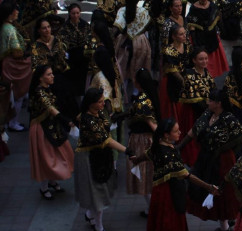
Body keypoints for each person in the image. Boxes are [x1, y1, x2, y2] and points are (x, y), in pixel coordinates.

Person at [129, 118, 220, 231]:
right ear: (167, 135)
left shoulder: (158, 146)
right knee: (170, 223)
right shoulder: (167, 154)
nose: (180, 132)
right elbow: (187, 175)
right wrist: (209, 187)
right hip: (169, 195)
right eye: (176, 131)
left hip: (159, 191)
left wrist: (136, 160)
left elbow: (146, 155)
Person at [176, 89, 242, 231]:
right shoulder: (207, 114)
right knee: (207, 190)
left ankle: (226, 226)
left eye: (210, 100)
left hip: (223, 162)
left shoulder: (229, 119)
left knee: (223, 193)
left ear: (218, 103)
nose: (207, 102)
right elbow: (194, 130)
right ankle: (225, 224)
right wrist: (179, 146)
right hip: (205, 160)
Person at [75, 87, 133, 231]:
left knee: (100, 191)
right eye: (100, 101)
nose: (103, 103)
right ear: (91, 103)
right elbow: (106, 140)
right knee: (98, 192)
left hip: (102, 157)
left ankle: (90, 214)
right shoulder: (87, 120)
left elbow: (108, 123)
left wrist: (122, 115)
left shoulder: (99, 112)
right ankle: (98, 225)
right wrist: (126, 150)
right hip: (90, 159)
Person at [28, 65, 75, 200]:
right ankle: (44, 187)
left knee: (55, 154)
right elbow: (50, 108)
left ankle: (52, 181)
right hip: (41, 129)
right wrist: (67, 121)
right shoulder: (39, 92)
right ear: (41, 78)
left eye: (52, 73)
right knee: (46, 158)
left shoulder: (48, 89)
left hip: (52, 126)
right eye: (49, 74)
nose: (52, 76)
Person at [125, 68, 158, 216]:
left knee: (144, 177)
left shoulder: (142, 101)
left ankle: (152, 209)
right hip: (149, 140)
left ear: (137, 83)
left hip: (142, 142)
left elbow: (153, 126)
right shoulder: (152, 94)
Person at [30, 18, 78, 119]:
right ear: (39, 30)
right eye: (44, 28)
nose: (47, 30)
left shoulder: (57, 40)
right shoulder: (35, 47)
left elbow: (63, 59)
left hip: (60, 76)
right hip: (46, 80)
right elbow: (36, 66)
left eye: (48, 27)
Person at [113, 0, 152, 103]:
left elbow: (117, 28)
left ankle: (122, 95)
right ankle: (136, 93)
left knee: (122, 68)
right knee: (139, 67)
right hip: (140, 42)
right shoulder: (143, 11)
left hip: (123, 42)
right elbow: (148, 26)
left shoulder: (122, 10)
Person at [0, 0, 32, 133]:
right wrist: (28, 53)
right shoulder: (10, 30)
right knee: (18, 95)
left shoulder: (5, 26)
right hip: (12, 66)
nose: (18, 12)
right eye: (16, 10)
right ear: (11, 13)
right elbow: (17, 52)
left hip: (6, 64)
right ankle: (13, 122)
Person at [186, 0, 229, 78]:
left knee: (213, 61)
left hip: (212, 36)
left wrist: (222, 31)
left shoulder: (212, 6)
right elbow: (192, 25)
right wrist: (195, 43)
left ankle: (211, 78)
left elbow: (218, 19)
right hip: (199, 37)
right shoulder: (194, 8)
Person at [57, 3, 90, 100]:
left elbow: (90, 38)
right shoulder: (64, 27)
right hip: (71, 58)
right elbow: (61, 44)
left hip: (83, 57)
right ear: (69, 14)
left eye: (77, 13)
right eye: (73, 13)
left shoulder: (84, 24)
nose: (75, 15)